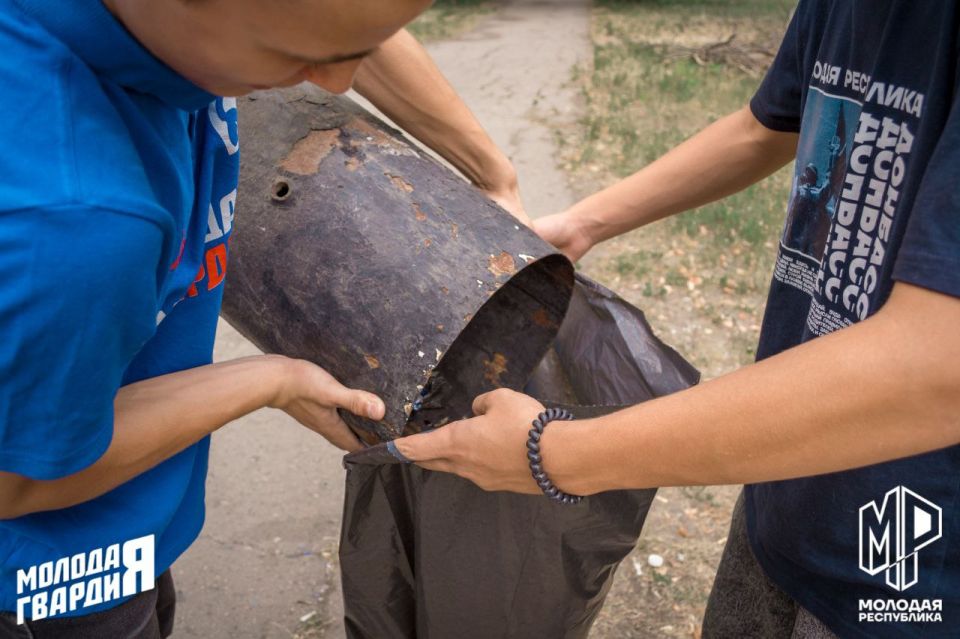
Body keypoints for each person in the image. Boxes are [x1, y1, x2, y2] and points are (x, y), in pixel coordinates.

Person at [396, 1, 960, 637]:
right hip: (788, 486)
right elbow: (764, 128)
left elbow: (933, 367)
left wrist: (551, 452)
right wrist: (582, 225)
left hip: (915, 570)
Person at [0, 0, 527, 635]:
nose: (335, 83)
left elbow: (337, 22)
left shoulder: (189, 33)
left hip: (123, 500)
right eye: (297, 57)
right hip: (48, 571)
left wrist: (494, 175)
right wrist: (267, 381)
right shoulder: (77, 223)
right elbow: (17, 481)